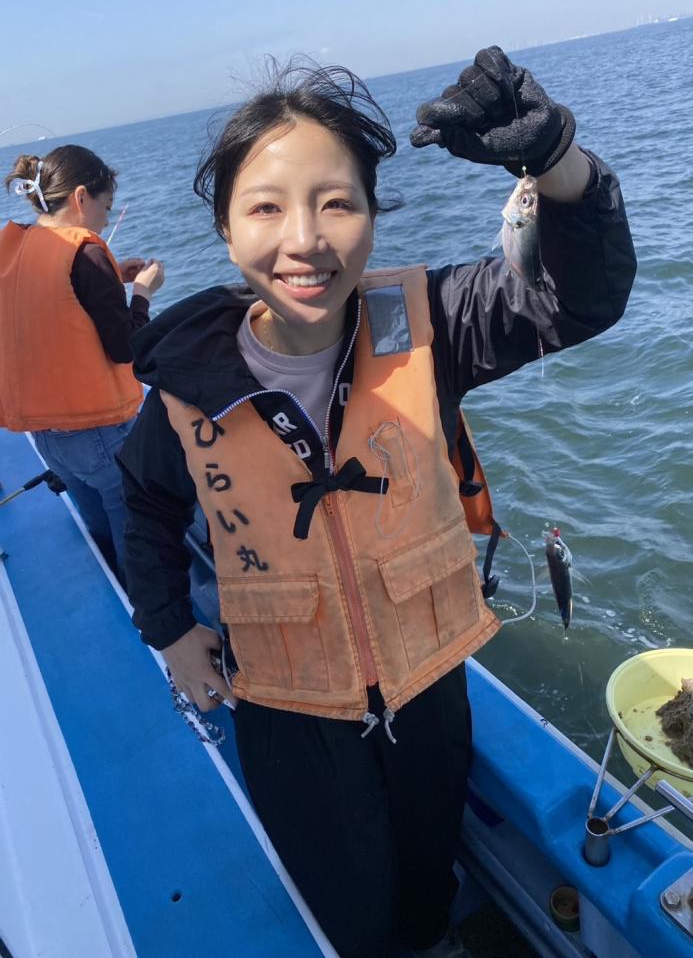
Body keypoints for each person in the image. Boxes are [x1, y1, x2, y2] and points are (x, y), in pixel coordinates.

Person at [117, 47, 636, 958]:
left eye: (337, 202)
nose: (304, 239)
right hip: (285, 707)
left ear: (371, 214)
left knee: (430, 876)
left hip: (427, 685)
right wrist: (168, 627)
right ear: (226, 231)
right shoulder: (187, 384)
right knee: (343, 903)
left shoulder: (433, 324)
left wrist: (557, 163)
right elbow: (143, 499)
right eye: (266, 207)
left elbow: (580, 298)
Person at [0, 145, 164, 577]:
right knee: (134, 533)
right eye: (105, 207)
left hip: (48, 437)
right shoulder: (88, 255)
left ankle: (117, 588)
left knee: (100, 530)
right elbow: (126, 347)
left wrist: (114, 279)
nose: (105, 220)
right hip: (101, 435)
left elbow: (53, 304)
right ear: (80, 197)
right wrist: (142, 293)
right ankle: (146, 604)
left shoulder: (12, 246)